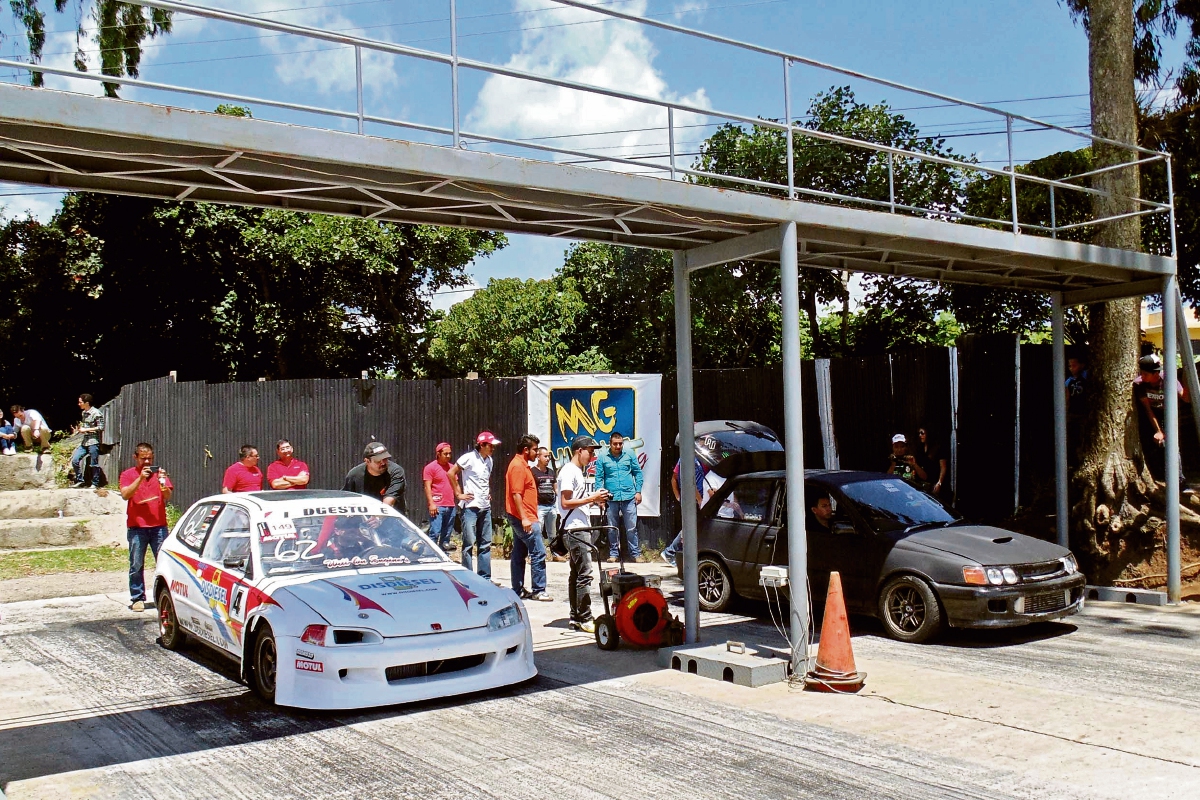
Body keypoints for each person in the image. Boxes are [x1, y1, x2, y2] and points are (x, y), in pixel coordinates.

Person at [558, 435, 611, 633]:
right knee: (585, 574)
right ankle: (585, 617)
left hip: (577, 528)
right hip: (575, 530)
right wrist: (592, 497)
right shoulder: (569, 471)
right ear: (579, 451)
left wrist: (594, 500)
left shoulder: (577, 472)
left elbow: (575, 501)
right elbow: (565, 503)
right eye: (590, 451)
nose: (592, 456)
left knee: (577, 574)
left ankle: (576, 616)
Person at [119, 442, 173, 612]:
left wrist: (163, 482)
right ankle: (137, 597)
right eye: (143, 459)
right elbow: (125, 494)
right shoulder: (128, 474)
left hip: (159, 527)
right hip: (137, 527)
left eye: (150, 458)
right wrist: (140, 478)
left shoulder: (159, 474)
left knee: (164, 563)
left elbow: (168, 495)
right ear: (135, 457)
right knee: (136, 564)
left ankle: (166, 597)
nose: (147, 462)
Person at [505, 434, 552, 601]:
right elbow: (516, 494)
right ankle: (539, 590)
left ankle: (517, 590)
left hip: (524, 516)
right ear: (526, 450)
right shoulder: (518, 466)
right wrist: (525, 518)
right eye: (534, 450)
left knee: (519, 553)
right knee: (538, 552)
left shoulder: (522, 465)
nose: (536, 453)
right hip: (525, 518)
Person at [448, 431, 499, 580]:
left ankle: (484, 577)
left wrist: (487, 492)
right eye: (490, 445)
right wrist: (458, 494)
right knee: (469, 543)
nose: (492, 448)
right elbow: (451, 473)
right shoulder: (469, 458)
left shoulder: (489, 460)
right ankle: (468, 577)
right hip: (471, 506)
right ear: (482, 445)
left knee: (485, 543)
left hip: (485, 506)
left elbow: (484, 479)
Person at [1133, 352, 1190, 481]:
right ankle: (1157, 476)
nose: (1142, 376)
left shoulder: (1168, 380)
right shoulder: (1140, 384)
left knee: (1171, 444)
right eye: (1141, 373)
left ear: (1156, 373)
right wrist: (1158, 430)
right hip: (1152, 416)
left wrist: (1188, 381)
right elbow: (1148, 409)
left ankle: (1179, 479)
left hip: (1169, 414)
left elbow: (1185, 398)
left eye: (1145, 374)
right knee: (1153, 444)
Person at [593, 431, 644, 562]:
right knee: (612, 528)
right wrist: (600, 498)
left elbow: (638, 473)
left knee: (631, 528)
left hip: (629, 497)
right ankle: (613, 554)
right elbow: (599, 478)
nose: (618, 446)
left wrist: (638, 491)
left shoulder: (630, 454)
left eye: (620, 444)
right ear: (610, 444)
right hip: (611, 499)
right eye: (615, 444)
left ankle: (635, 554)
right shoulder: (602, 457)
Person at [661, 455, 707, 567]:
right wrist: (679, 496)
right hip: (694, 499)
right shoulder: (688, 457)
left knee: (693, 526)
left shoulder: (705, 457)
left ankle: (677, 553)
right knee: (690, 527)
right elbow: (683, 479)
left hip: (699, 498)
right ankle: (670, 552)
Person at [343, 441, 407, 511]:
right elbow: (346, 499)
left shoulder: (396, 472)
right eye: (378, 460)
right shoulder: (354, 475)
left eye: (385, 459)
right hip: (365, 516)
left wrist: (377, 516)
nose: (383, 463)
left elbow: (388, 503)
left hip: (392, 516)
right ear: (367, 461)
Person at [423, 442, 458, 552]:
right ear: (438, 454)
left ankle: (444, 555)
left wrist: (460, 497)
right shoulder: (430, 468)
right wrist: (431, 503)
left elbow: (456, 485)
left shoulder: (452, 468)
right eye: (445, 454)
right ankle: (430, 555)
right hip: (437, 505)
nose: (448, 456)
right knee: (435, 532)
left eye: (450, 453)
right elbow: (427, 487)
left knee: (447, 533)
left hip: (450, 505)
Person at [531, 446, 561, 560]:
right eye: (545, 456)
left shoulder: (551, 472)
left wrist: (561, 499)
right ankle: (535, 555)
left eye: (548, 456)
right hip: (539, 506)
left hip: (551, 506)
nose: (548, 459)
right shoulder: (533, 472)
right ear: (538, 457)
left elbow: (556, 488)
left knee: (552, 533)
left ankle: (555, 554)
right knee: (537, 531)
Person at [69, 394, 105, 489]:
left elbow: (101, 427)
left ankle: (95, 483)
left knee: (94, 463)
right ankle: (80, 480)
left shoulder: (96, 413)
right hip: (85, 441)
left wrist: (86, 430)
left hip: (93, 441)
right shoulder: (83, 413)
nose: (79, 404)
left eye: (80, 402)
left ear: (87, 403)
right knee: (75, 460)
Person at [916, 427, 948, 498]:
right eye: (919, 433)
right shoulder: (920, 448)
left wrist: (939, 482)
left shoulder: (938, 448)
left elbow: (943, 467)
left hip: (936, 481)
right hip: (926, 482)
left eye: (922, 433)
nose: (920, 435)